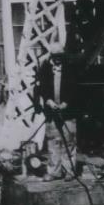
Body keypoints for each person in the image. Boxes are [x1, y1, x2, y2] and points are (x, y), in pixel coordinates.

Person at [35, 41, 81, 180]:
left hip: (68, 112)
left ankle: (69, 171)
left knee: (69, 142)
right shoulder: (45, 69)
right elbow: (41, 88)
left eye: (59, 55)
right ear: (51, 56)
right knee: (53, 142)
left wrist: (66, 104)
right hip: (52, 112)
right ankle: (54, 171)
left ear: (63, 55)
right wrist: (48, 101)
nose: (57, 58)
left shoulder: (71, 68)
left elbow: (75, 89)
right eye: (55, 56)